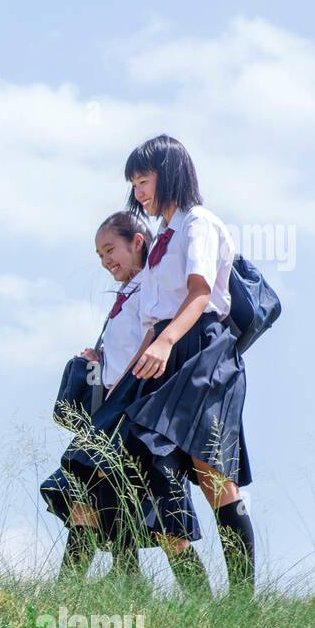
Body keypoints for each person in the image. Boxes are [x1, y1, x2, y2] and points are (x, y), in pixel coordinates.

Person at [119, 134, 257, 595]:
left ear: (170, 173)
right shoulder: (163, 236)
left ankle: (240, 603)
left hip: (201, 348)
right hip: (167, 348)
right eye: (134, 183)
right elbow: (152, 315)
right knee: (147, 460)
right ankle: (198, 597)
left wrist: (166, 343)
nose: (139, 192)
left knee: (212, 473)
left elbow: (200, 295)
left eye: (144, 180)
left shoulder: (200, 223)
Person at [42, 212, 207, 592]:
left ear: (137, 241)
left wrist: (125, 381)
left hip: (140, 413)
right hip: (113, 413)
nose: (105, 261)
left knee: (167, 525)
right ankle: (67, 595)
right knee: (85, 498)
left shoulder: (153, 285)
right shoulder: (128, 293)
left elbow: (153, 339)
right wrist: (99, 361)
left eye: (110, 249)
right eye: (99, 255)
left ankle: (208, 608)